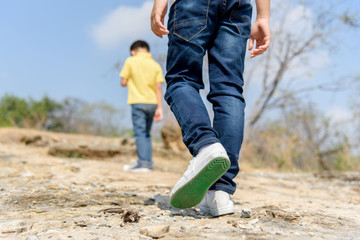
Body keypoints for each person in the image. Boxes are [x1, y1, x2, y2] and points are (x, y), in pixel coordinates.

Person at [151, 0, 271, 216]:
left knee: (182, 79)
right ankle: (220, 192)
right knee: (229, 89)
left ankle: (206, 145)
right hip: (238, 6)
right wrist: (263, 17)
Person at [120, 40, 164, 172]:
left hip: (138, 102)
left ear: (133, 52)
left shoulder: (130, 61)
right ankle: (148, 163)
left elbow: (123, 82)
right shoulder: (155, 65)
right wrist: (160, 108)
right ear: (148, 52)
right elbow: (158, 88)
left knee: (140, 133)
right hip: (153, 103)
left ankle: (143, 163)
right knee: (147, 133)